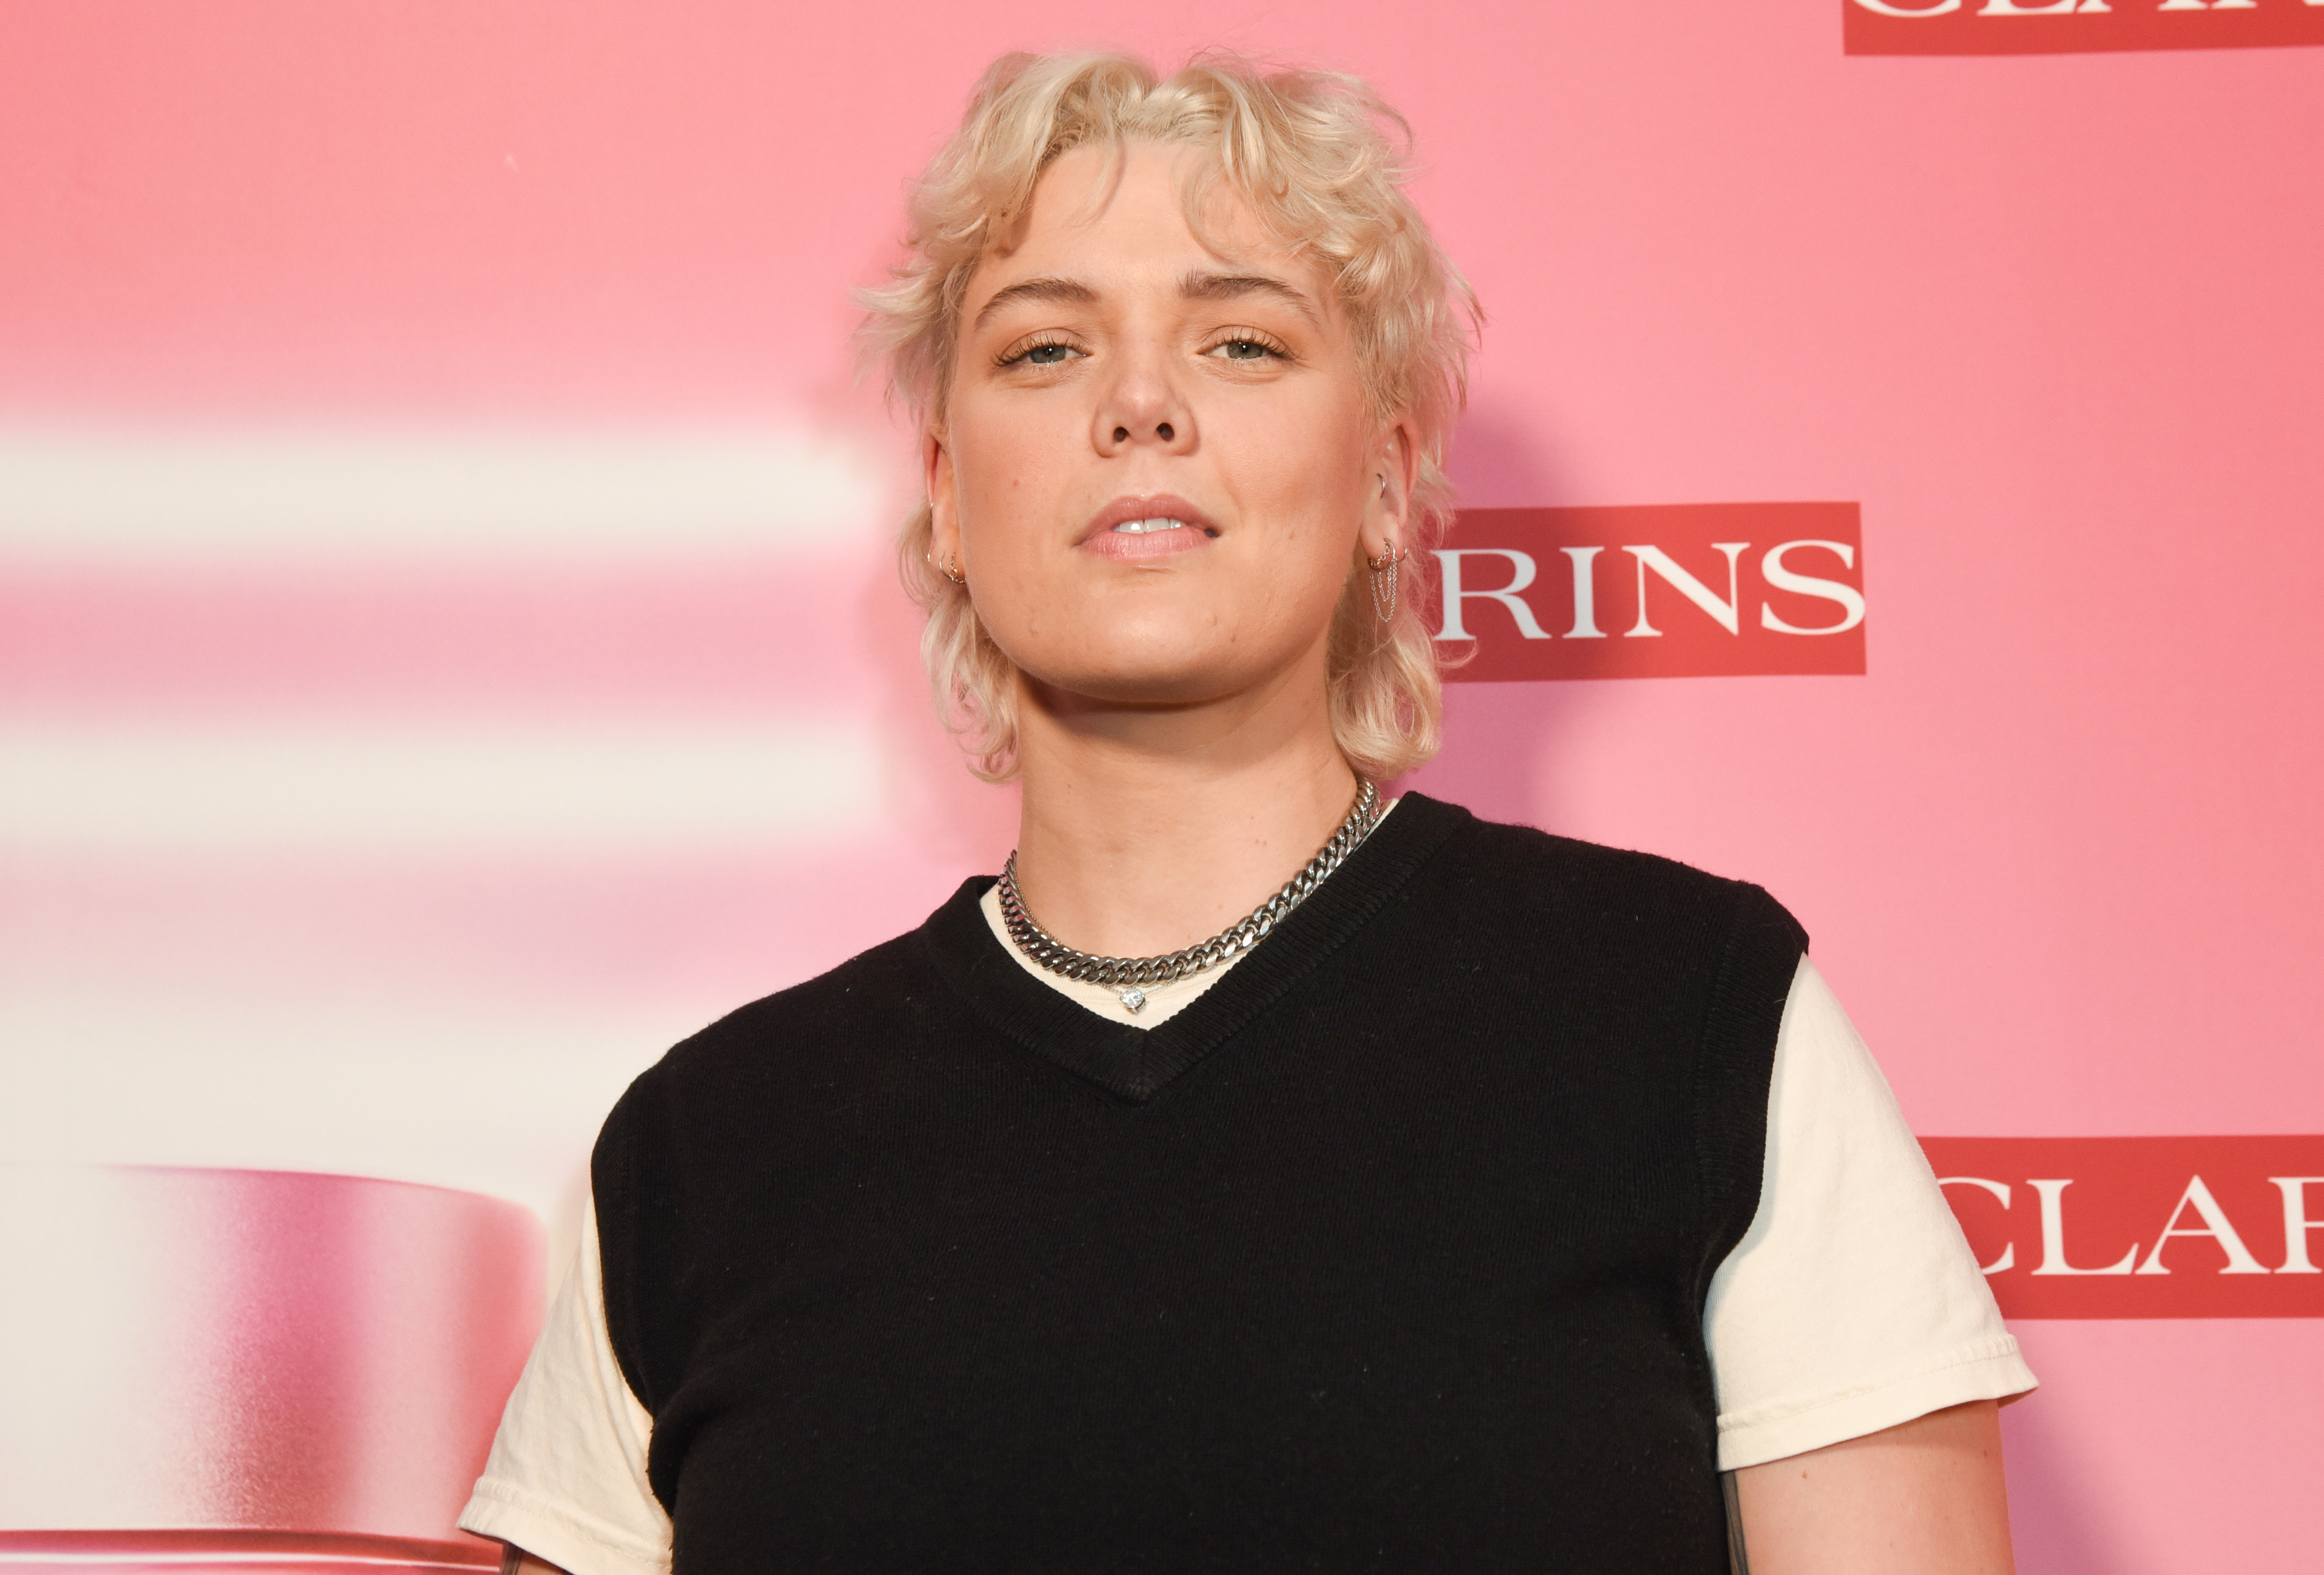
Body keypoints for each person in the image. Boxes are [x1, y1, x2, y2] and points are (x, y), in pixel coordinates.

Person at [460, 51, 2035, 1574]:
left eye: (1243, 345)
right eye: (1044, 350)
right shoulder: (700, 1151)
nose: (1141, 403)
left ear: (1384, 481)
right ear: (943, 485)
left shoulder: (1701, 1021)